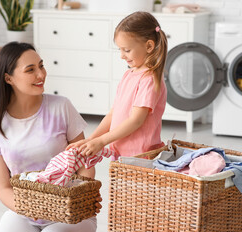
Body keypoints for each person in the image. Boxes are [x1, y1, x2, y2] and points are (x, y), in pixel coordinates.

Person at [0, 42, 100, 232]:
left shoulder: (61, 106)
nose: (41, 74)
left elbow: (85, 162)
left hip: (71, 213)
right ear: (8, 78)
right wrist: (33, 207)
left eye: (41, 66)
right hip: (25, 213)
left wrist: (79, 198)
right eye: (31, 70)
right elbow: (3, 188)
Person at [68, 11, 168, 158]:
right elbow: (113, 113)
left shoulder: (149, 80)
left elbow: (136, 121)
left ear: (149, 46)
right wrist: (91, 139)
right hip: (122, 152)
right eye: (120, 49)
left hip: (140, 155)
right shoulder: (129, 75)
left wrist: (102, 141)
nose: (122, 55)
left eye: (126, 50)